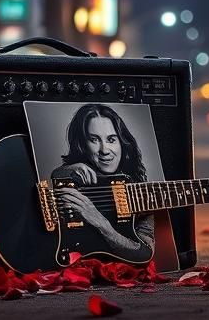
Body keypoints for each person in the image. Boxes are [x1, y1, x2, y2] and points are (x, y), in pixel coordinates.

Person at [51, 103, 154, 263]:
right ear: (82, 145)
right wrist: (68, 170)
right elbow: (48, 181)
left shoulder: (141, 192)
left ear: (123, 143)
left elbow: (143, 253)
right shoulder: (71, 174)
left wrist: (101, 224)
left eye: (111, 139)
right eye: (94, 140)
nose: (104, 149)